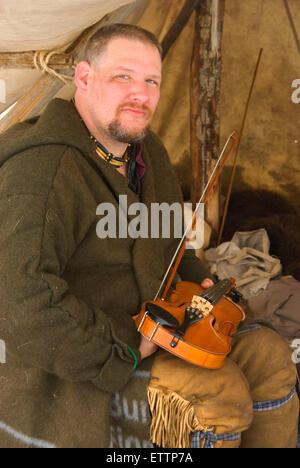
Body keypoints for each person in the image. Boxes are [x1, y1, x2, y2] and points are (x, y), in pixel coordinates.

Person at [0, 24, 298, 449]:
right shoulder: (42, 170)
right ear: (84, 78)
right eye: (123, 76)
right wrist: (124, 344)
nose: (140, 94)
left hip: (161, 322)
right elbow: (20, 303)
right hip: (80, 357)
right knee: (221, 392)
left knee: (271, 355)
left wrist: (201, 289)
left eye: (151, 80)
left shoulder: (148, 153)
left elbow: (173, 246)